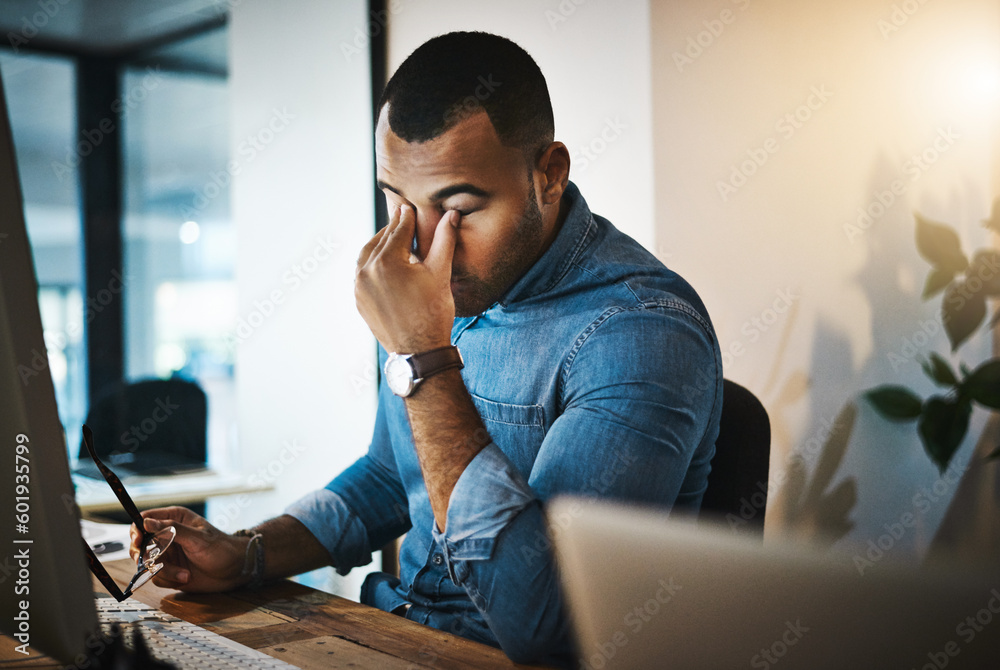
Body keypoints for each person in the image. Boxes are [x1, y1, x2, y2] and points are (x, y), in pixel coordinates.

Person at [130, 31, 722, 667]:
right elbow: (389, 476)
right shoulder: (459, 287)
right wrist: (247, 553)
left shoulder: (643, 333)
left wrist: (423, 355)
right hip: (397, 633)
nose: (419, 246)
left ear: (548, 175)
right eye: (397, 201)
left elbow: (547, 625)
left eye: (460, 208)